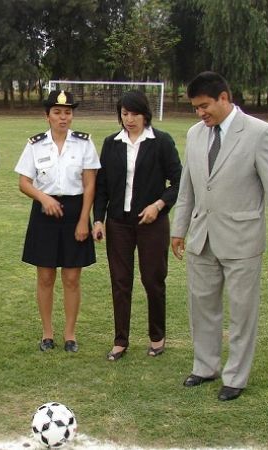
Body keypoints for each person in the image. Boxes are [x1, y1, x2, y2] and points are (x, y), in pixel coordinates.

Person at [171, 71, 268, 401]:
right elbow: (187, 187)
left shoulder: (259, 133)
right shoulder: (195, 134)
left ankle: (235, 376)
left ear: (224, 98)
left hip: (242, 239)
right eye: (196, 108)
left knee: (242, 312)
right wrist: (179, 229)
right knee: (201, 307)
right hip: (202, 238)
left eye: (205, 106)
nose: (200, 113)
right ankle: (204, 366)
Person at [93, 90, 182, 361]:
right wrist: (98, 219)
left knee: (153, 280)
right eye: (125, 114)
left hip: (151, 223)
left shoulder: (161, 142)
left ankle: (157, 337)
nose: (129, 119)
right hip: (119, 223)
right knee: (120, 282)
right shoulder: (111, 143)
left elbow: (179, 182)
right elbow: (102, 186)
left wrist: (159, 205)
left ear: (145, 115)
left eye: (134, 114)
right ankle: (120, 341)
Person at [14, 90, 100, 353]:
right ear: (47, 116)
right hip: (44, 214)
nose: (63, 117)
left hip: (75, 212)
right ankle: (47, 333)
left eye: (67, 112)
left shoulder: (84, 143)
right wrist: (43, 198)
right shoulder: (35, 144)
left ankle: (70, 335)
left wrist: (84, 220)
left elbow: (90, 184)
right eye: (57, 112)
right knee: (45, 277)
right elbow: (24, 182)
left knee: (72, 278)